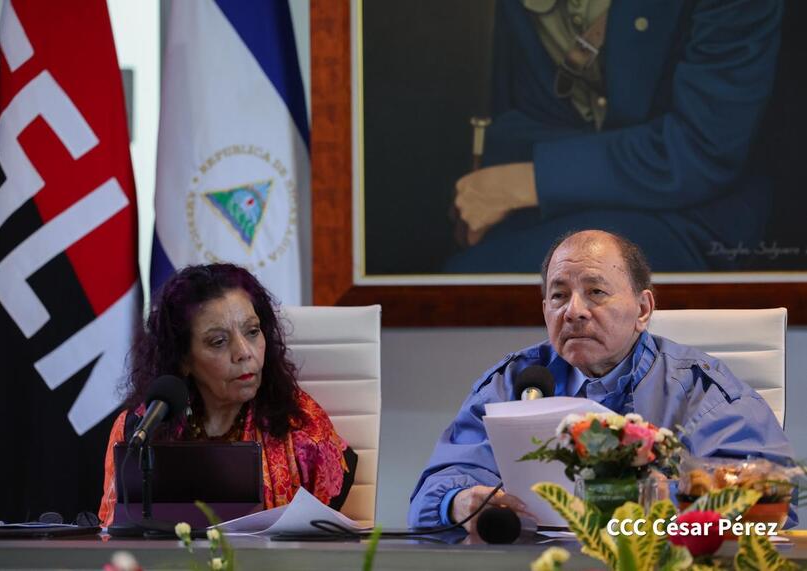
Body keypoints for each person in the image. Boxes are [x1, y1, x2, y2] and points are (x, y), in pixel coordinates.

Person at [410, 230, 793, 530]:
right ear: (545, 310)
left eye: (595, 292)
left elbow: (772, 509)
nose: (574, 311)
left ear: (642, 310)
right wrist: (457, 503)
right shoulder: (515, 383)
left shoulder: (701, 392)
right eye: (559, 296)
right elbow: (429, 498)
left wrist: (667, 501)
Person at [448, 0, 782, 273]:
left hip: (692, 214)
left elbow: (701, 149)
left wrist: (524, 183)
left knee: (474, 282)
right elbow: (527, 111)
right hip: (560, 206)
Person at [99, 264, 354, 527]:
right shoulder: (139, 430)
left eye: (252, 332)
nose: (244, 352)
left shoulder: (303, 428)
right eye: (219, 341)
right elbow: (115, 536)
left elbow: (321, 541)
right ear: (184, 358)